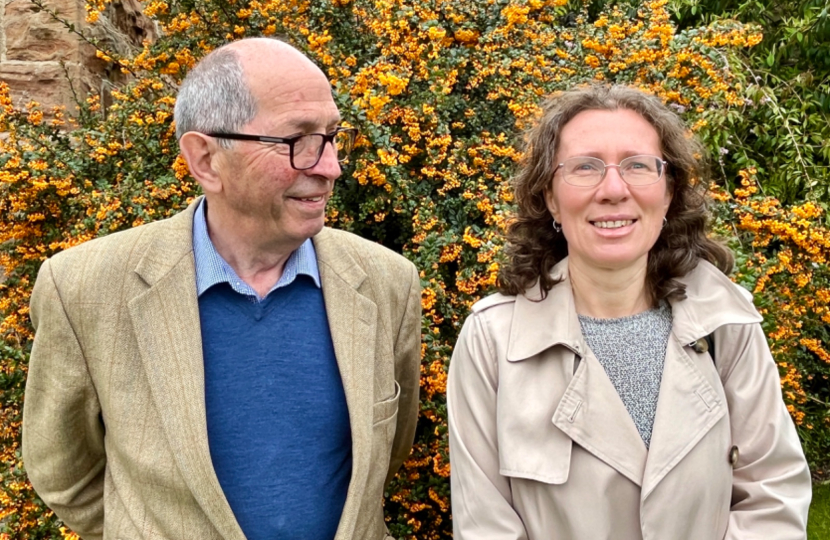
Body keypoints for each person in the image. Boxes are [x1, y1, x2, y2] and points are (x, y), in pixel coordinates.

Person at [22, 37, 421, 540]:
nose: (330, 166)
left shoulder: (388, 283)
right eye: (298, 140)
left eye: (333, 135)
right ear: (206, 159)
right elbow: (63, 471)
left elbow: (388, 452)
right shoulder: (83, 287)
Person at [447, 85, 811, 539]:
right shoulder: (493, 341)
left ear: (668, 191)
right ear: (550, 197)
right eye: (585, 167)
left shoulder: (725, 324)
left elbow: (772, 496)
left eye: (638, 165)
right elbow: (486, 526)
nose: (614, 190)